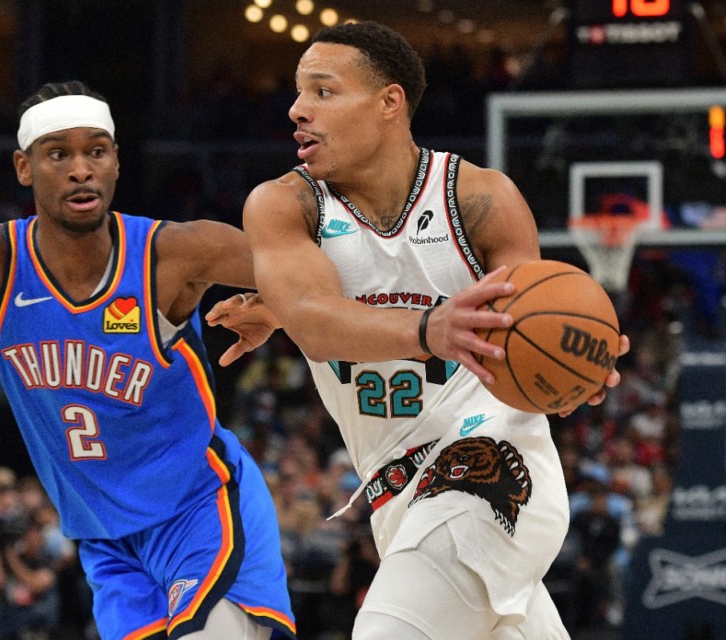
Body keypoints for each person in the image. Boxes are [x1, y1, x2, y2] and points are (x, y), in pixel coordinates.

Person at [0, 38, 295, 639]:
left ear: (117, 161)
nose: (80, 168)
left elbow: (321, 270)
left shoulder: (172, 252)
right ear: (23, 167)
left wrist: (286, 306)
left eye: (96, 152)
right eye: (57, 154)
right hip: (102, 536)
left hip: (197, 507)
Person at [208, 21, 629, 639]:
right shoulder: (283, 205)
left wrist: (576, 365)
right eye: (299, 93)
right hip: (396, 494)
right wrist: (424, 326)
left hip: (494, 466)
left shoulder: (481, 199)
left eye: (323, 92)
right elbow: (316, 322)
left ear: (389, 102)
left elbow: (534, 331)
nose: (298, 109)